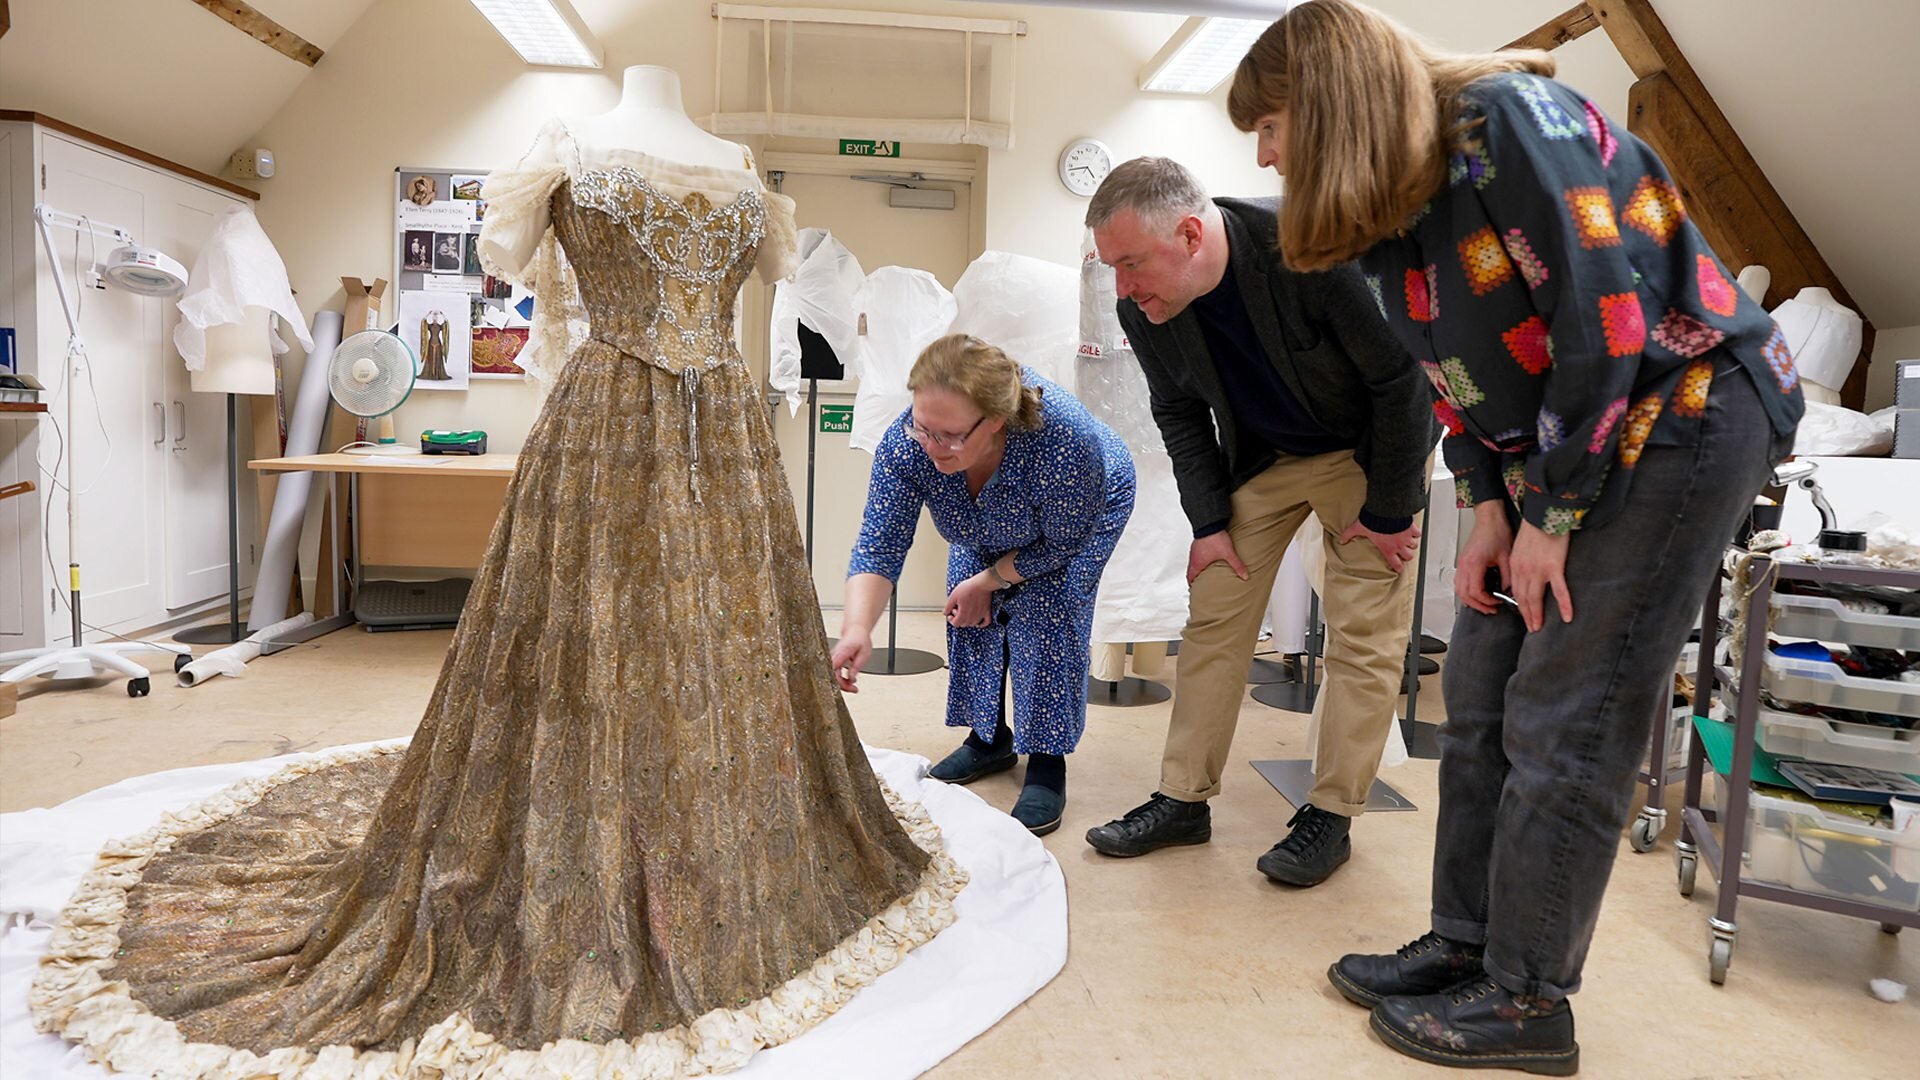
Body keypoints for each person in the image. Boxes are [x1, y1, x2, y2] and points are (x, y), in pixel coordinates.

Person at [29, 72, 964, 1076]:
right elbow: (512, 253)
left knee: (718, 643)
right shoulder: (566, 148)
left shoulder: (739, 166)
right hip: (609, 420)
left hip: (725, 440)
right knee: (593, 641)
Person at [1226, 2, 1803, 1072]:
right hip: (1557, 442)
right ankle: (1468, 946)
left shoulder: (1507, 121)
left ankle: (1532, 1001)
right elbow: (1452, 379)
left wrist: (1553, 515)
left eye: (1271, 122)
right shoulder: (1389, 213)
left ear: (1336, 99)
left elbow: (1605, 328)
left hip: (1685, 411)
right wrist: (1489, 507)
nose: (1263, 152)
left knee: (1569, 709)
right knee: (1482, 689)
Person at [1081, 157, 1435, 887]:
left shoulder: (1309, 250)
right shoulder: (1141, 309)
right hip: (1264, 458)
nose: (1122, 287)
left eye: (1131, 263)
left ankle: (1331, 815)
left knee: (1364, 633)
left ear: (1188, 234)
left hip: (1367, 452)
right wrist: (1208, 522)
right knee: (1214, 611)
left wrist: (1390, 510)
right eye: (1111, 266)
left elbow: (1402, 380)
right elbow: (1178, 412)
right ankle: (1184, 799)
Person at [836, 334, 1136, 836]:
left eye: (950, 435)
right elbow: (880, 542)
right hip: (987, 520)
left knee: (1049, 615)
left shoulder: (1064, 439)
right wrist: (856, 627)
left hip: (1078, 516)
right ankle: (989, 737)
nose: (933, 447)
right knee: (966, 606)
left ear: (996, 420)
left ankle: (1046, 760)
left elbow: (1062, 545)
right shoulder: (909, 444)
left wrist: (993, 579)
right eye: (923, 428)